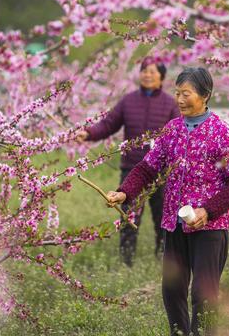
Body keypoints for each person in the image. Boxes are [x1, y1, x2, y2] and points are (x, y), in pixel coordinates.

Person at [105, 67, 229, 336]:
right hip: (175, 223)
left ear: (205, 95)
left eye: (187, 94)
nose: (180, 99)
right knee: (172, 289)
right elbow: (147, 167)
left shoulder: (223, 133)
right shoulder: (172, 130)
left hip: (209, 227)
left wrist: (207, 211)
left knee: (202, 293)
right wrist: (124, 191)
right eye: (178, 93)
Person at [77, 58, 180, 266]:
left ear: (161, 77)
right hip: (131, 170)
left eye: (152, 71)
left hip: (161, 173)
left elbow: (179, 135)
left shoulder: (171, 104)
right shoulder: (128, 101)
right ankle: (126, 263)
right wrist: (87, 133)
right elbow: (108, 125)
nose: (147, 75)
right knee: (128, 219)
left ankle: (163, 262)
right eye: (144, 71)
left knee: (163, 219)